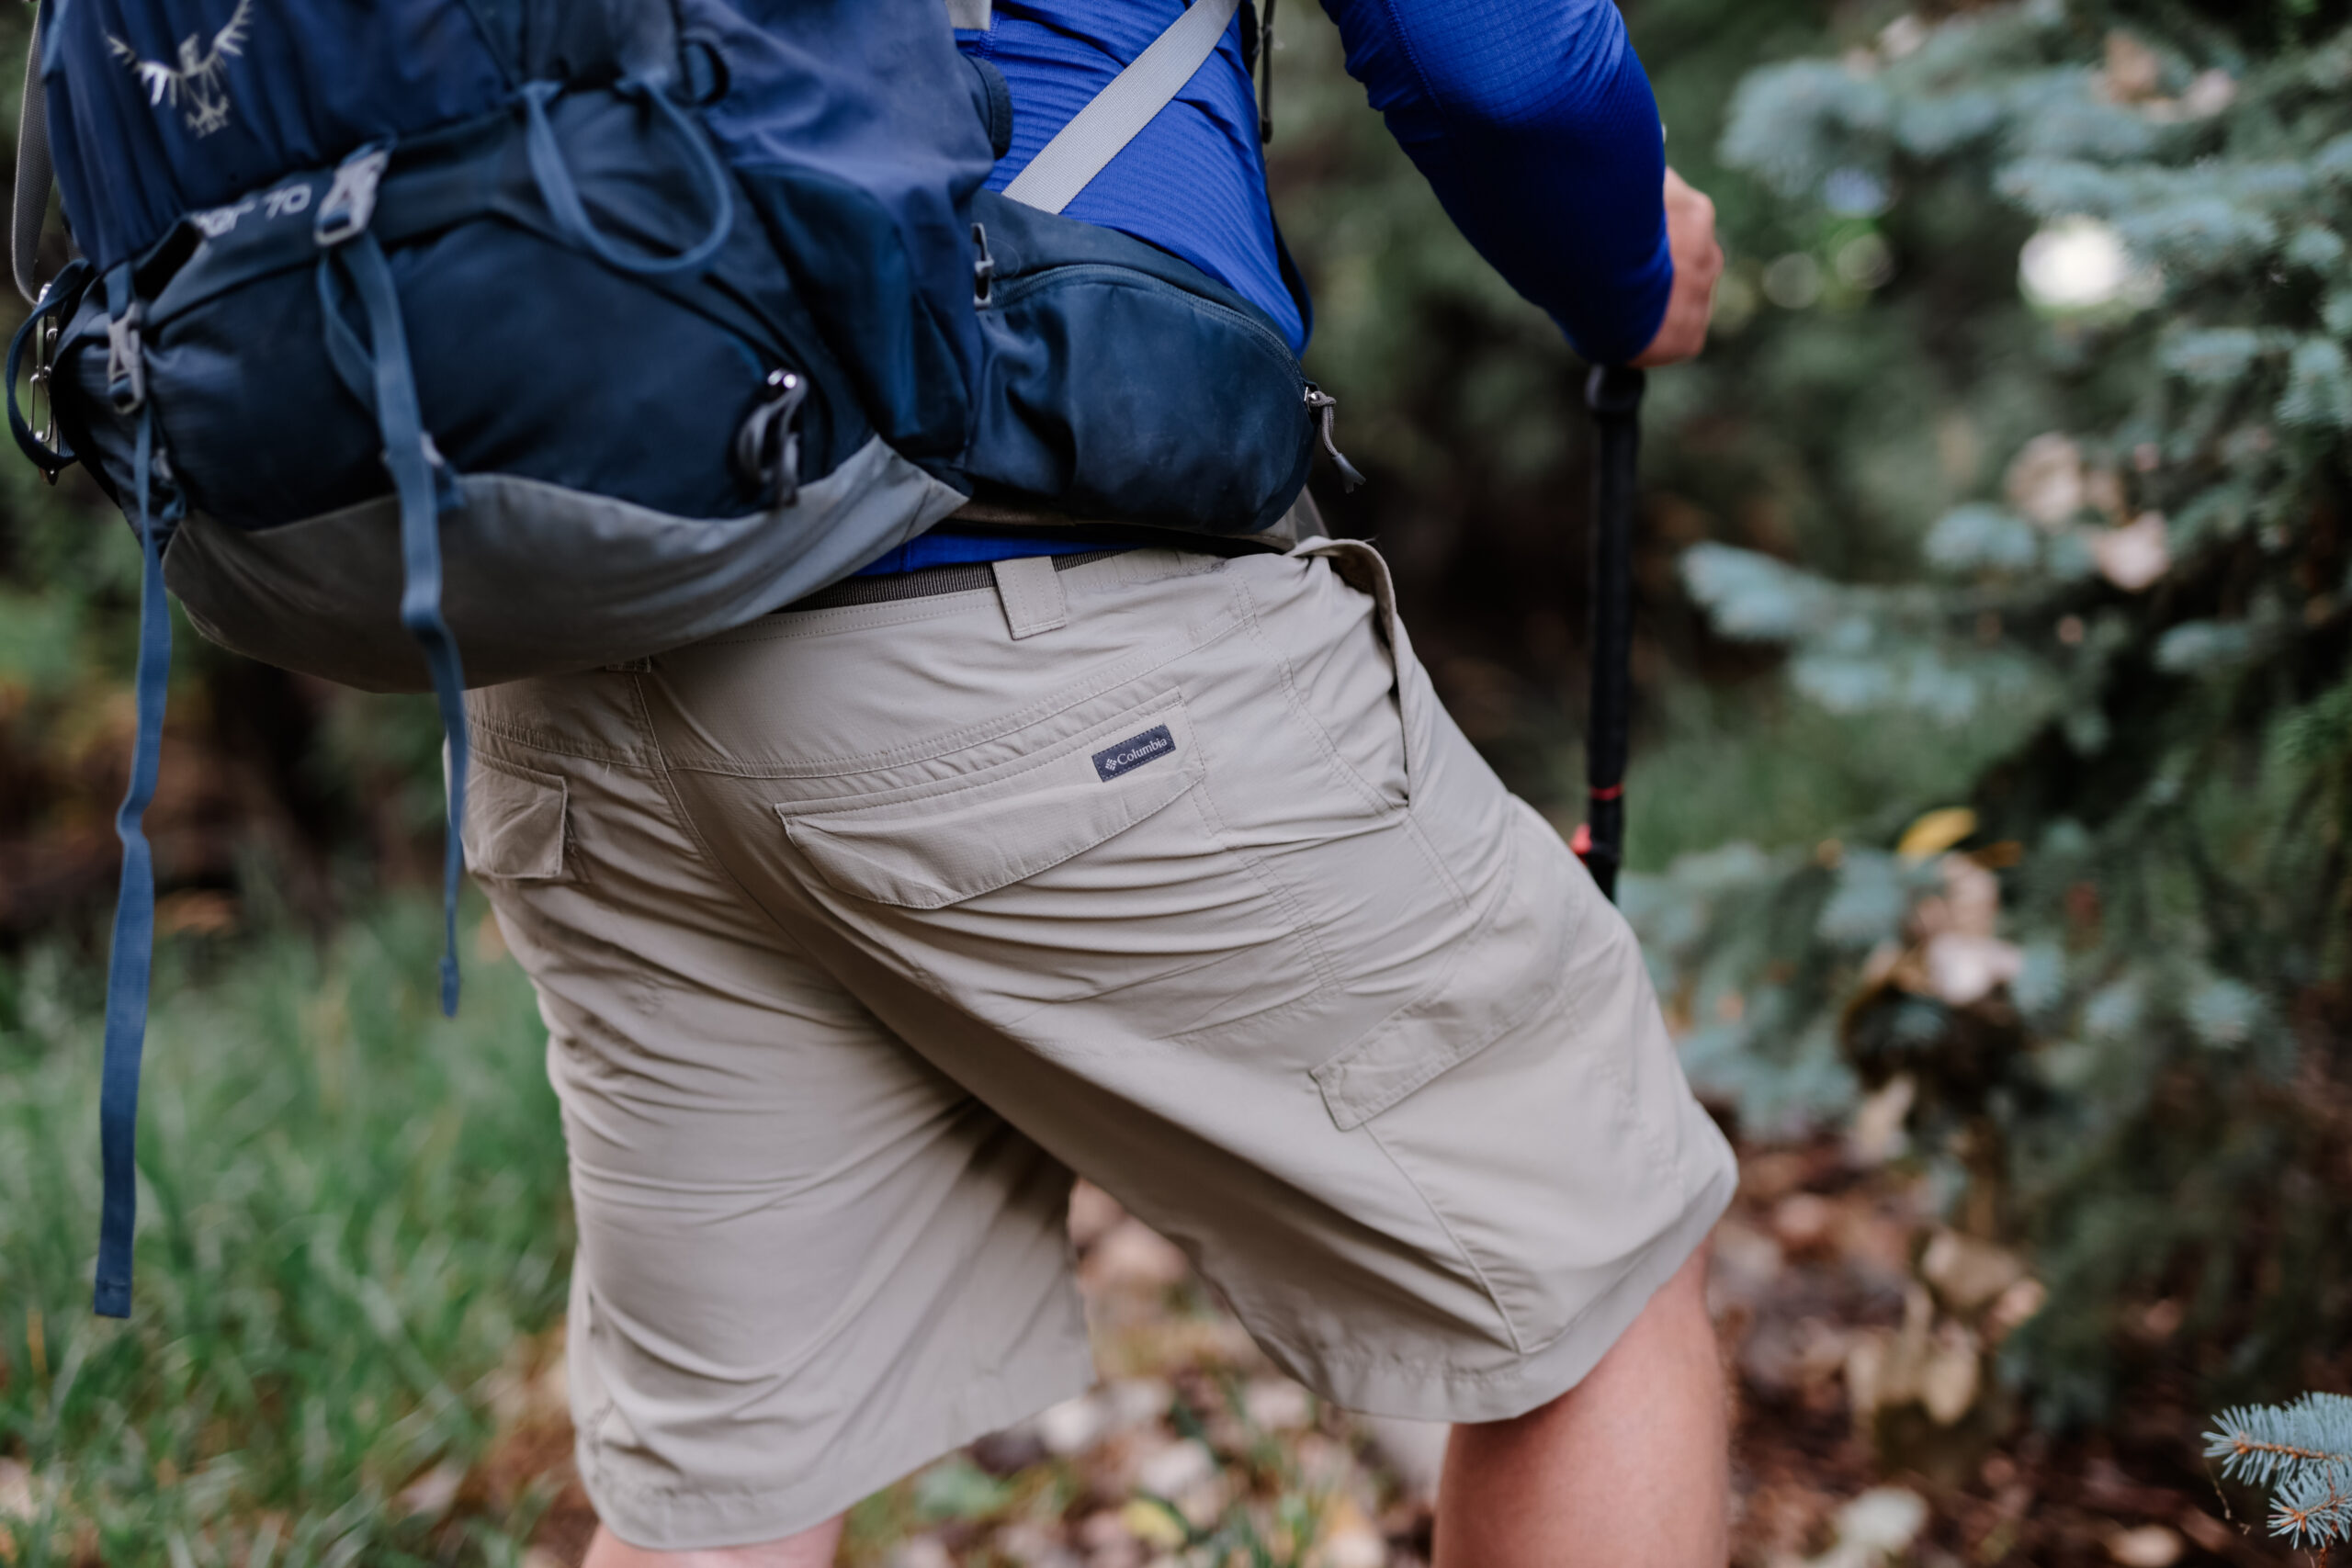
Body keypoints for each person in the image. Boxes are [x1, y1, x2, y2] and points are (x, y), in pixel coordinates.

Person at [462, 0, 1730, 1562]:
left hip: (581, 681)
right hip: (1026, 630)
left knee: (734, 1488)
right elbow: (1507, 64)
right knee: (1598, 1275)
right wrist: (1631, 273)